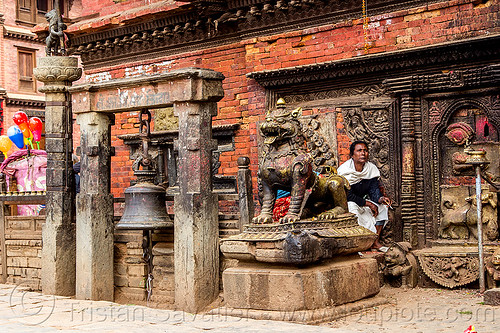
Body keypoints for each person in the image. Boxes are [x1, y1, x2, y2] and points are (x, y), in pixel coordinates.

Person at [337, 140, 392, 251]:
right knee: (352, 208)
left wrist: (380, 199)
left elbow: (373, 190)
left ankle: (375, 242)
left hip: (363, 202)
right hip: (349, 203)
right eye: (359, 151)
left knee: (383, 208)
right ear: (352, 155)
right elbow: (347, 196)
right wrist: (368, 204)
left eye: (365, 151)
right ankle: (360, 245)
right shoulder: (344, 171)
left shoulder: (370, 169)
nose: (363, 153)